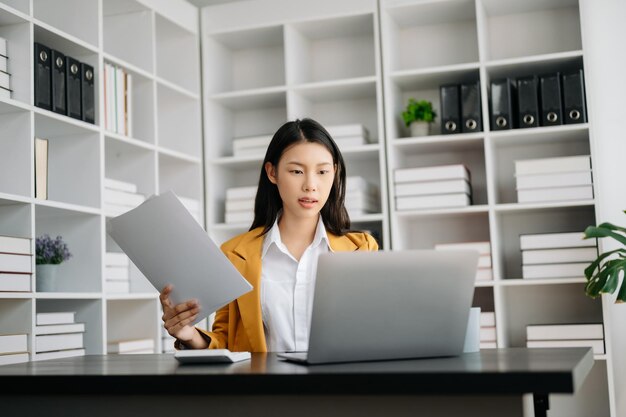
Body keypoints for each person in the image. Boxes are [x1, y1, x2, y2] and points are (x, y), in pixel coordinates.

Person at [159, 118, 378, 352]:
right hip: (266, 386)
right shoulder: (235, 254)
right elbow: (226, 341)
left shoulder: (362, 248)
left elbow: (377, 329)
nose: (311, 185)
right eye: (296, 171)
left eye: (323, 171)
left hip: (340, 385)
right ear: (272, 173)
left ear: (334, 173)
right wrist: (188, 335)